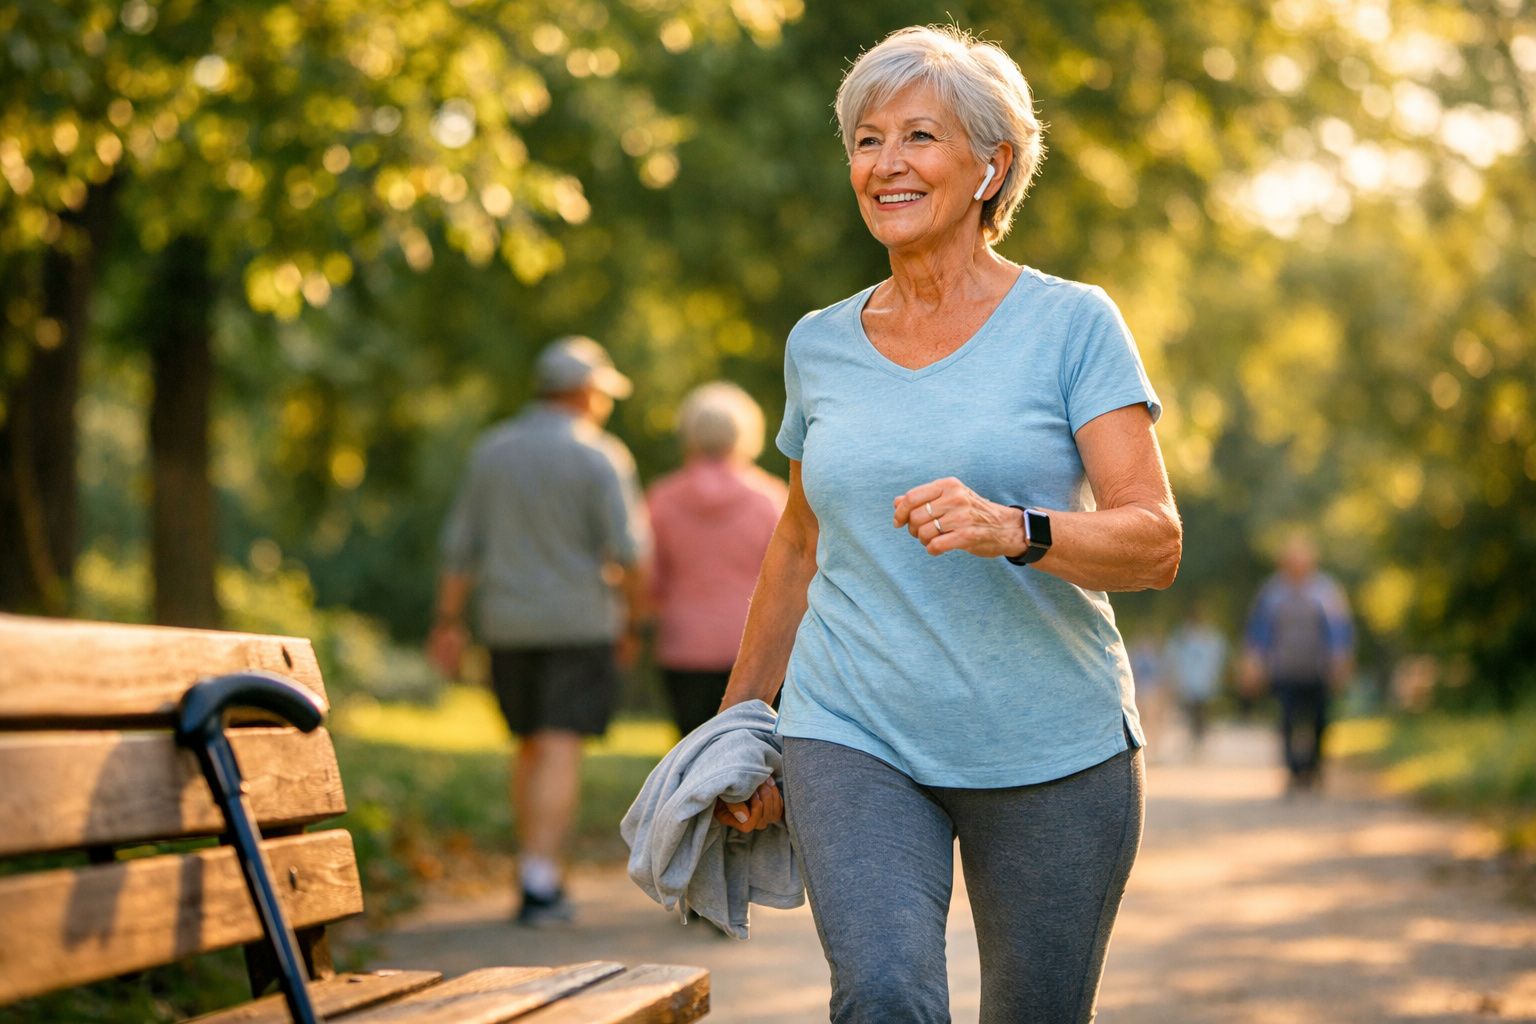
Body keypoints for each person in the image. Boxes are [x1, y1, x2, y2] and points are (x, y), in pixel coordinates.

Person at [712, 25, 1181, 1023]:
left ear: (991, 167)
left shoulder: (1073, 324)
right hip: (853, 728)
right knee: (882, 994)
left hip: (1052, 744)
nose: (885, 163)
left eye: (918, 137)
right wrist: (739, 726)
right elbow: (798, 542)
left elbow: (1154, 541)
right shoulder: (818, 344)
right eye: (866, 140)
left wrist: (1015, 528)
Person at [428, 335, 649, 925]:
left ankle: (531, 866)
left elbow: (460, 547)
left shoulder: (492, 451)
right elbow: (630, 551)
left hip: (506, 623)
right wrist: (634, 620)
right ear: (584, 392)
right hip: (579, 622)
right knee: (560, 746)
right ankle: (540, 880)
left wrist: (447, 621)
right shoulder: (601, 455)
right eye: (602, 393)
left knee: (528, 743)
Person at [646, 382, 787, 738]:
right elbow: (790, 577)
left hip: (683, 646)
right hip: (755, 649)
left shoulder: (661, 499)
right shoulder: (769, 500)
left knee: (692, 751)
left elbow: (650, 579)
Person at [1241, 532, 1354, 793]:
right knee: (1287, 721)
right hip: (1285, 669)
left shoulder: (1326, 591)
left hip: (1318, 669)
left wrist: (1340, 662)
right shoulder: (1273, 592)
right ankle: (1293, 771)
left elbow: (1339, 631)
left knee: (1320, 722)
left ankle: (1314, 768)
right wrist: (1254, 663)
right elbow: (1259, 632)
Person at [1163, 601, 1228, 755]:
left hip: (1203, 679)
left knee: (1201, 711)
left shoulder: (1210, 636)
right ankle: (1194, 738)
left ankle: (1200, 738)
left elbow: (1218, 656)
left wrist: (1214, 674)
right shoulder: (1182, 636)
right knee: (1191, 711)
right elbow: (1172, 656)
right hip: (1189, 680)